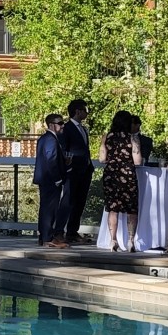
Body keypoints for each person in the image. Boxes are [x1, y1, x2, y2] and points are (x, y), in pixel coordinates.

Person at [98, 110, 140, 252]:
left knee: (113, 208)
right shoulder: (132, 138)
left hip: (111, 173)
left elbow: (102, 159)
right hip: (127, 173)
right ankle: (130, 241)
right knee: (131, 208)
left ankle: (112, 240)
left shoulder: (107, 137)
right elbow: (138, 161)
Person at [59, 100, 93, 245]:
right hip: (72, 171)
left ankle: (73, 231)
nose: (87, 113)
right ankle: (59, 231)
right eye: (85, 110)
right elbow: (64, 148)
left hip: (85, 170)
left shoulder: (83, 129)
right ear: (78, 111)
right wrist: (68, 166)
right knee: (68, 201)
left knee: (80, 201)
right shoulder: (66, 128)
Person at [33, 114, 67, 247]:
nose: (63, 125)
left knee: (46, 208)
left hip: (45, 179)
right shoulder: (51, 139)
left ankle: (44, 237)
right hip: (50, 180)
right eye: (60, 123)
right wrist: (57, 178)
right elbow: (51, 159)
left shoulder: (44, 138)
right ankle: (47, 238)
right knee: (49, 209)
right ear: (52, 124)